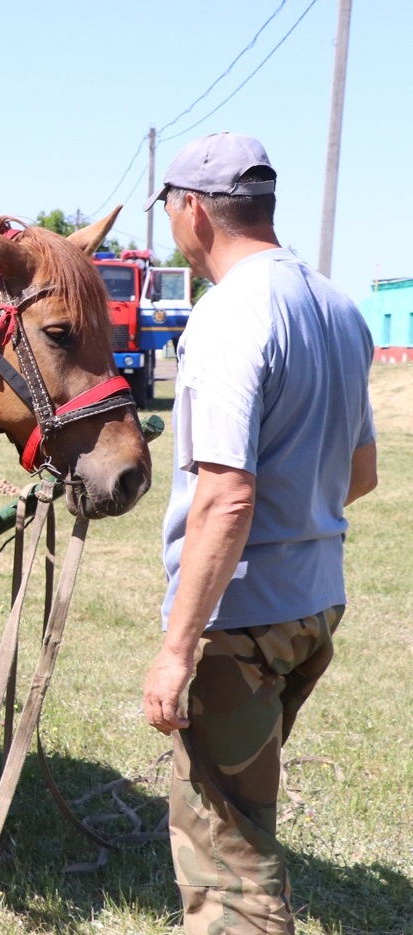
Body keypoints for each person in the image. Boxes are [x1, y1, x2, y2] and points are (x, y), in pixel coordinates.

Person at [140, 133, 378, 934]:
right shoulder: (339, 308)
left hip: (239, 625)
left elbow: (225, 495)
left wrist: (177, 648)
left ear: (194, 211)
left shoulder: (228, 314)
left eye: (171, 208)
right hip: (313, 605)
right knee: (242, 806)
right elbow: (360, 472)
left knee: (228, 859)